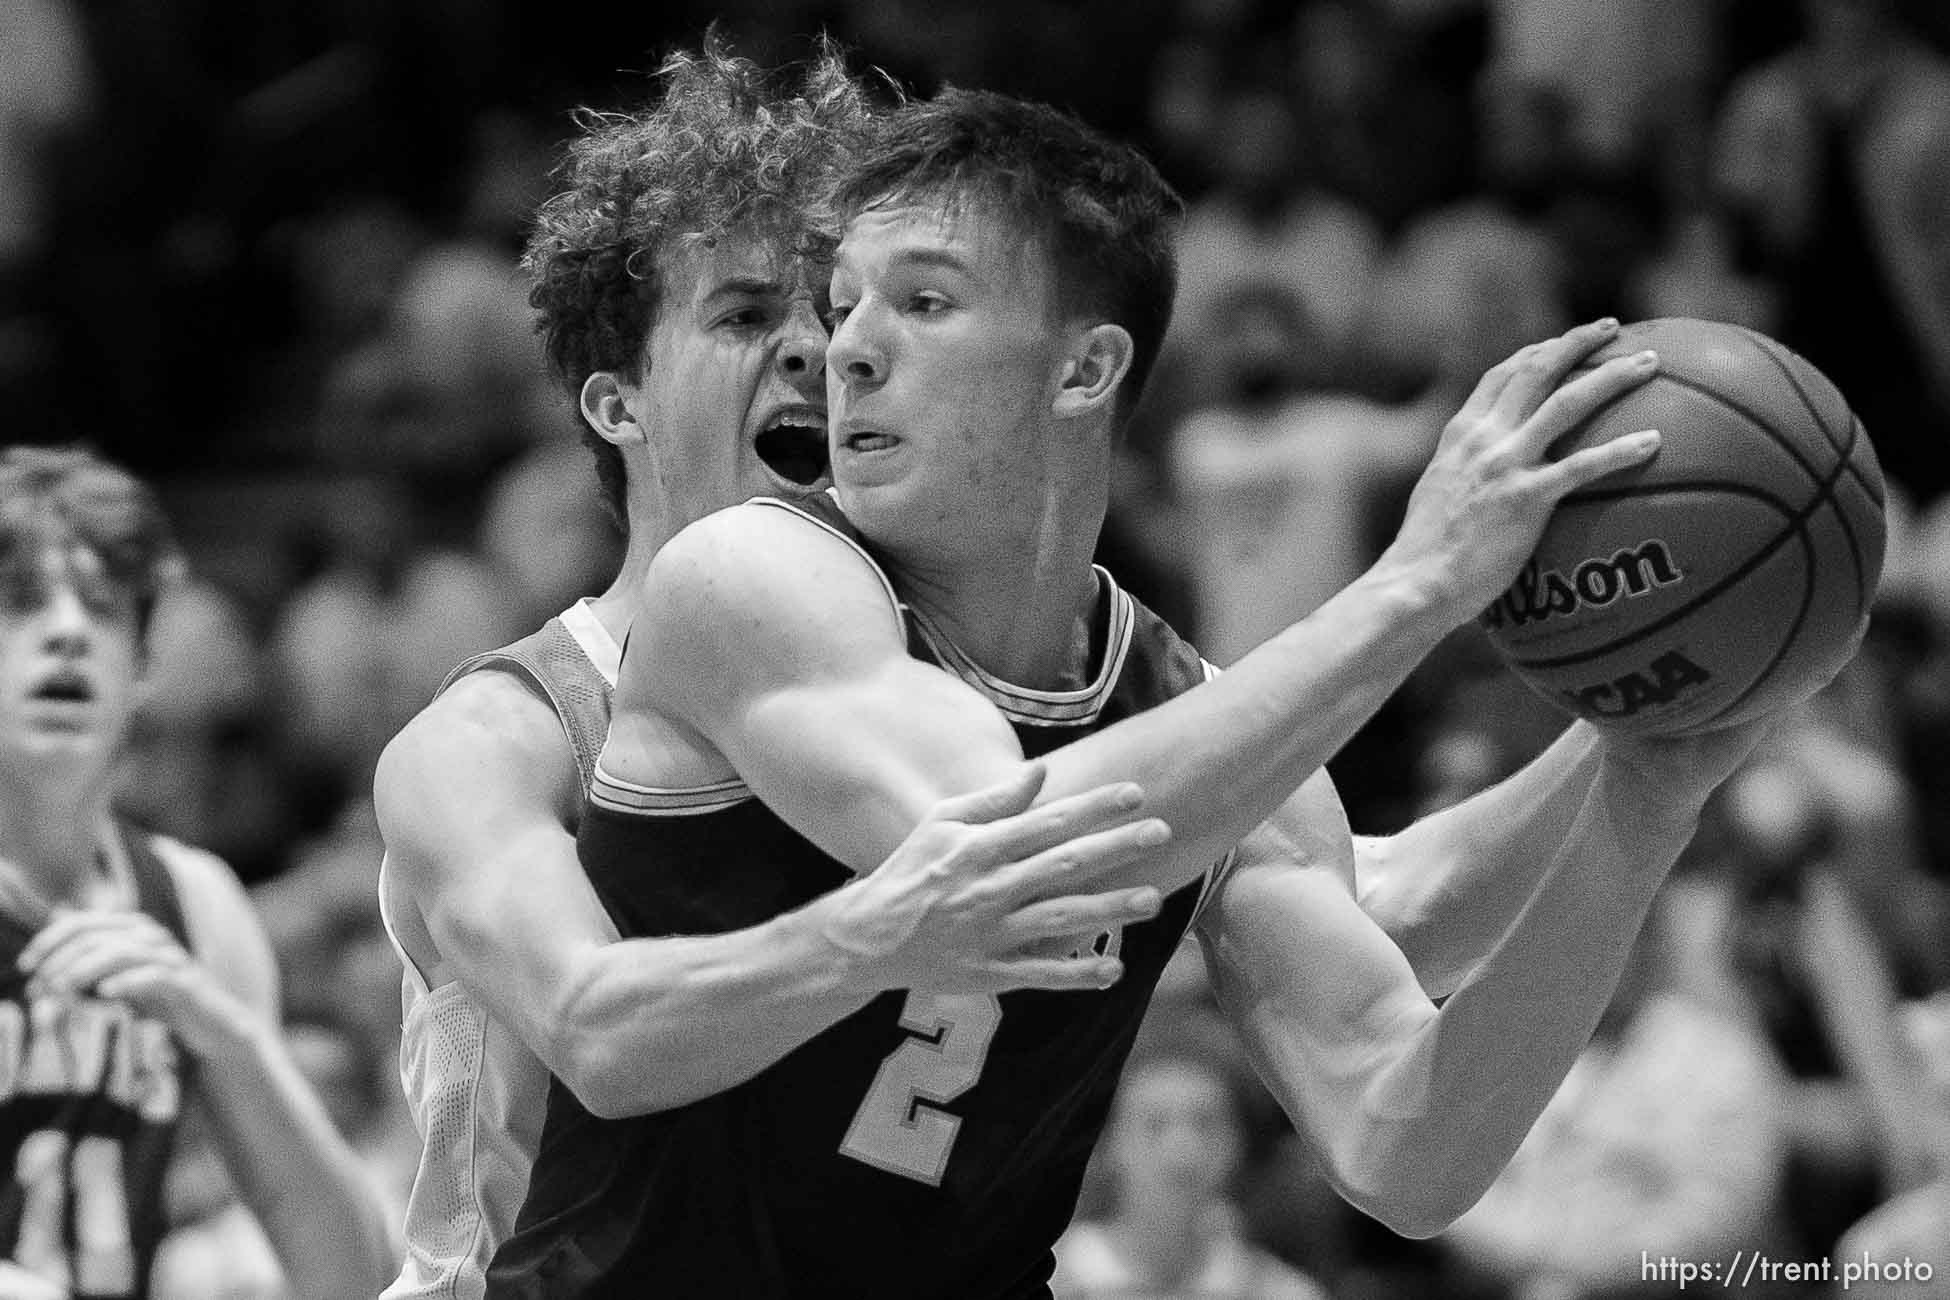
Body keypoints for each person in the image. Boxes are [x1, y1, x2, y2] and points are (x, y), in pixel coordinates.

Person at [484, 89, 1790, 1296]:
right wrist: (1415, 584)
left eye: (922, 304)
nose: (844, 353)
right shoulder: (750, 578)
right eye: (841, 305)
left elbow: (1410, 1151)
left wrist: (1637, 780)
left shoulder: (1192, 721)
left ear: (1081, 371)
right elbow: (1013, 849)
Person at [372, 40, 1174, 1300]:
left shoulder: (901, 672)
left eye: (836, 304)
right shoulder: (500, 736)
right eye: (748, 315)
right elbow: (601, 1029)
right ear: (616, 405)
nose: (822, 347)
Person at [0, 445, 396, 1298]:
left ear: (141, 665)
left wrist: (231, 1039)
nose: (68, 631)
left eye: (103, 608)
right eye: (22, 603)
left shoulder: (194, 905)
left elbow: (354, 1277)